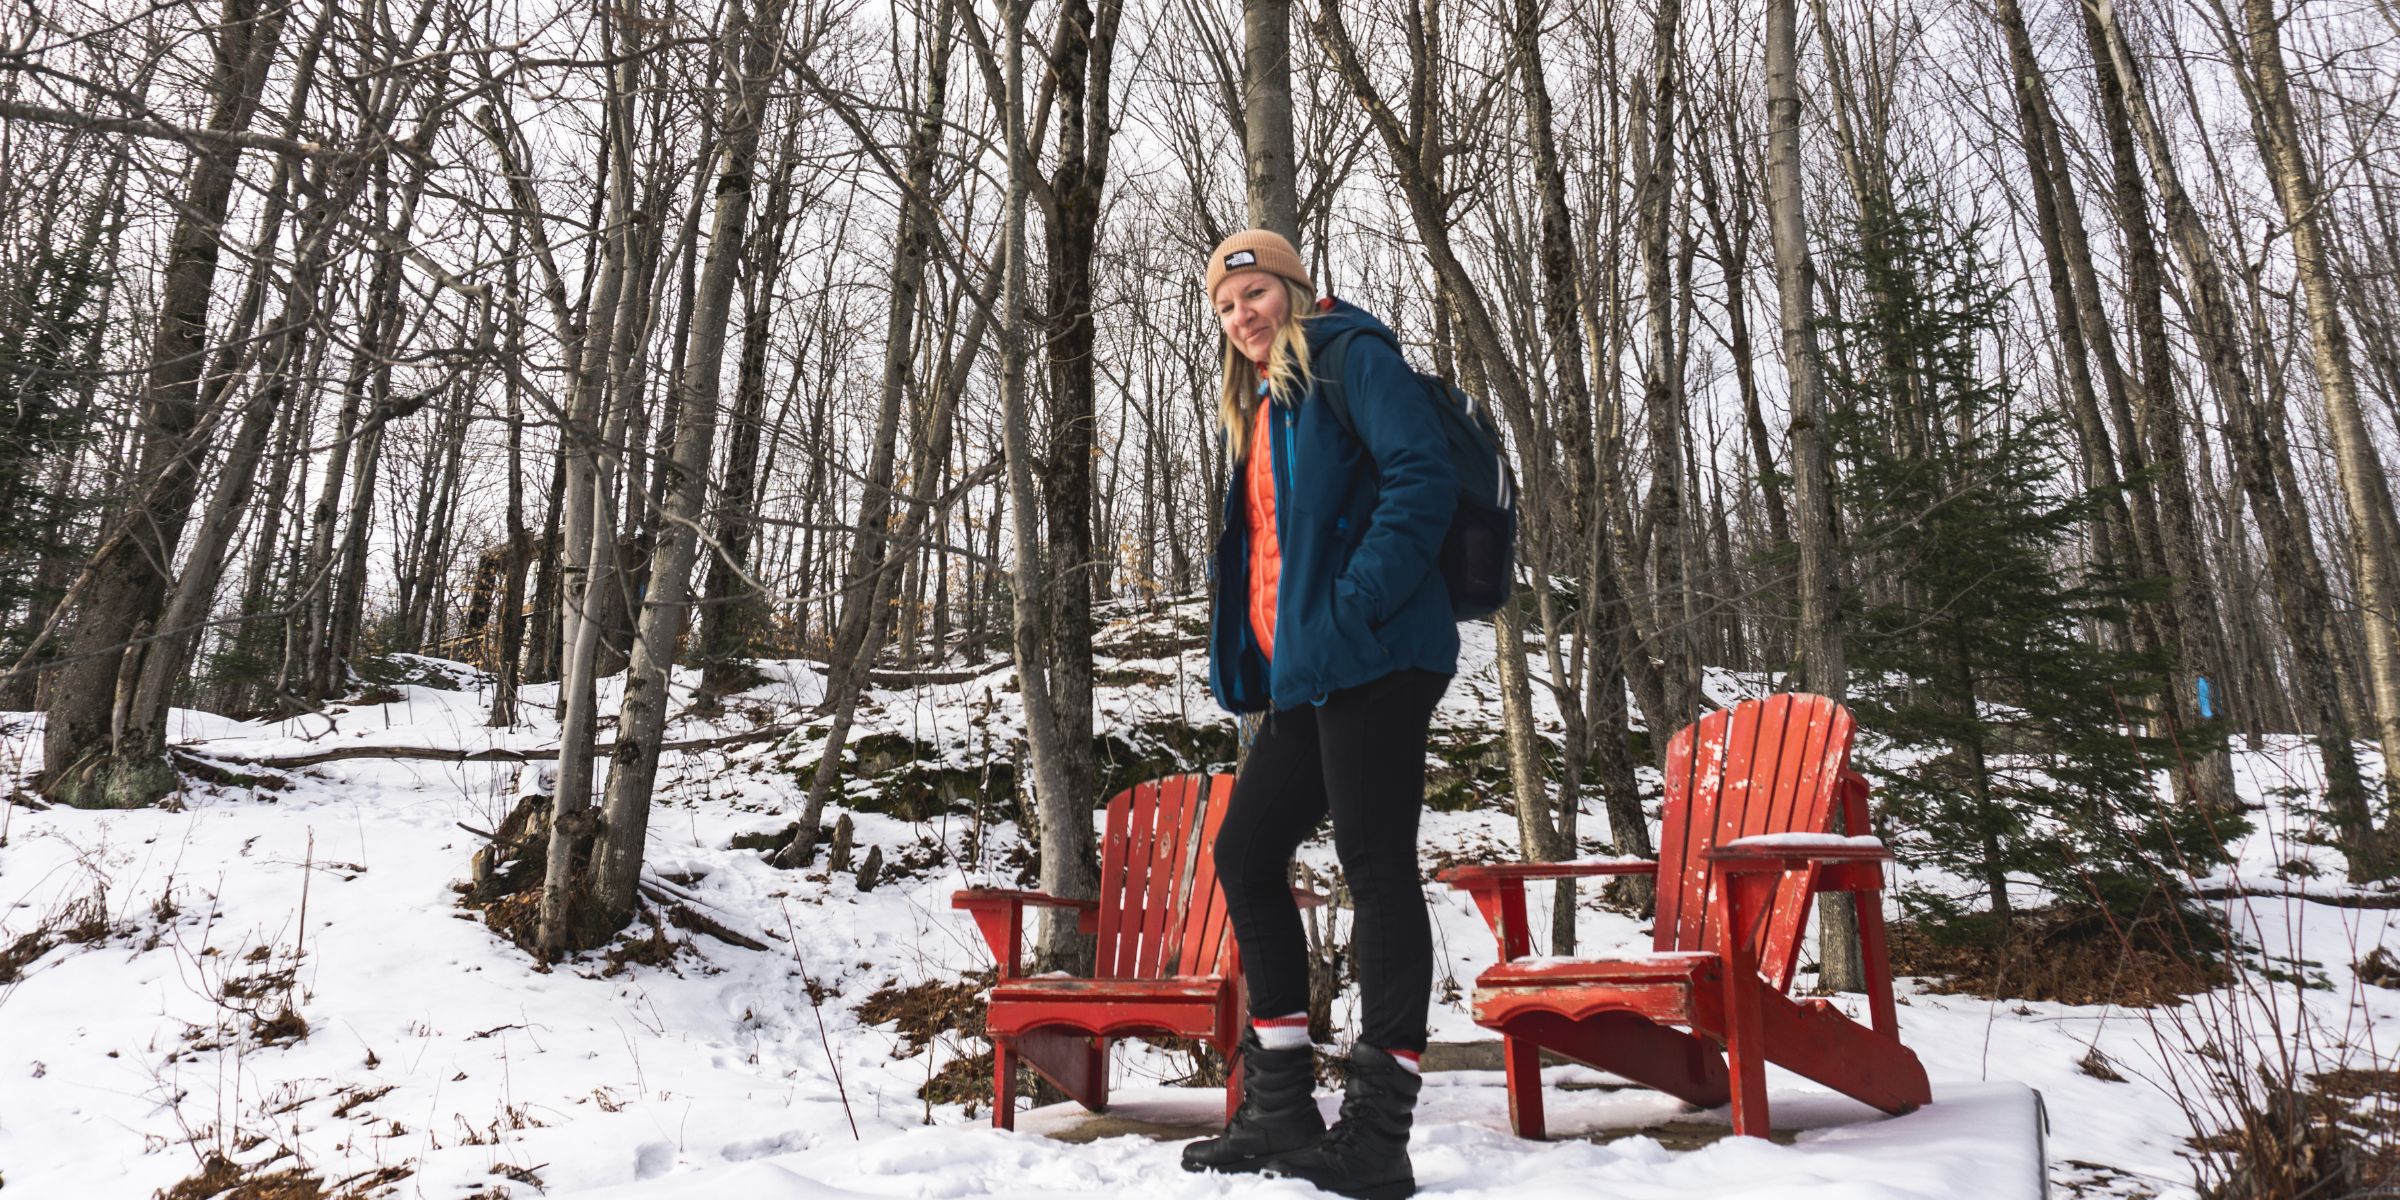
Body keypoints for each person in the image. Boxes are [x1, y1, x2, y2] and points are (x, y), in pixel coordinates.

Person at [1180, 229, 1457, 1200]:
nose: (1240, 315)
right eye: (1224, 305)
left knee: (1376, 869)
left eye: (1253, 293)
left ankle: (1378, 1137)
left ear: (1293, 289)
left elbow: (1425, 476)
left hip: (1377, 657)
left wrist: (1356, 604)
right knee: (1246, 856)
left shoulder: (1351, 357)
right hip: (1309, 674)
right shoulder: (1265, 405)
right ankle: (1283, 1107)